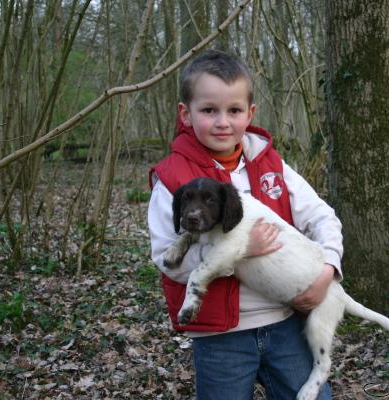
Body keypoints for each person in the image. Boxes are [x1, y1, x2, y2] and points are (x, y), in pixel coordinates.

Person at [147, 49, 343, 399]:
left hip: (286, 323)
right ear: (186, 113)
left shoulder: (271, 164)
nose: (223, 122)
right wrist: (239, 252)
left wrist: (328, 267)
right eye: (209, 110)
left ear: (250, 113)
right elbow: (167, 259)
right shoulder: (173, 178)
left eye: (234, 110)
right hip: (220, 337)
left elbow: (321, 216)